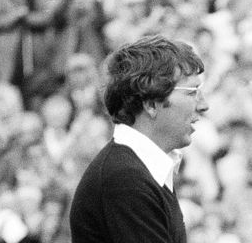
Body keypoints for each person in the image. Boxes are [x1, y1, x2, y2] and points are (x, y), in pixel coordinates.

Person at [69, 35, 209, 243]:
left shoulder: (139, 170)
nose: (203, 105)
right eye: (192, 92)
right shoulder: (124, 179)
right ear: (151, 104)